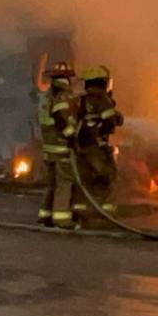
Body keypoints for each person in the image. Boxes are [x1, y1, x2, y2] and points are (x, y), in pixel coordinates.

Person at [74, 65, 124, 215]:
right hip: (96, 146)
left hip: (79, 146)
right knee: (109, 177)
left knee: (84, 179)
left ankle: (80, 210)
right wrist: (115, 120)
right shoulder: (102, 99)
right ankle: (107, 210)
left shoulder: (80, 100)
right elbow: (109, 122)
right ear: (102, 82)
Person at [39, 61, 80, 229]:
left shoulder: (47, 96)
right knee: (64, 184)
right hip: (60, 147)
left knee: (52, 184)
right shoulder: (62, 96)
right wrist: (71, 136)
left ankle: (45, 215)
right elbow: (60, 118)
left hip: (49, 147)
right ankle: (61, 219)